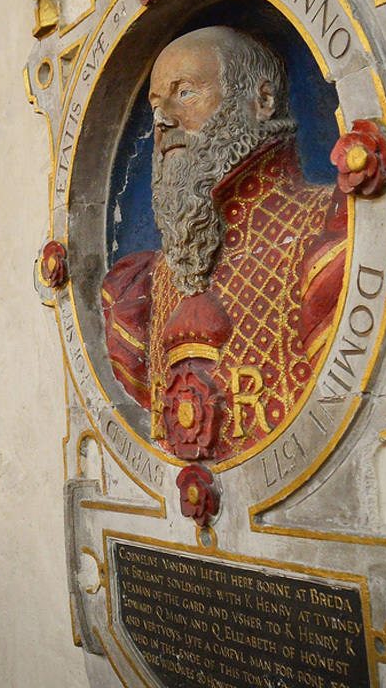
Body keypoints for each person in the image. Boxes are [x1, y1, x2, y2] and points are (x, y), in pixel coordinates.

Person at [101, 26, 346, 462]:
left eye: (187, 93)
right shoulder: (135, 289)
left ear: (262, 101)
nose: (163, 119)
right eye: (157, 103)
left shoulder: (329, 233)